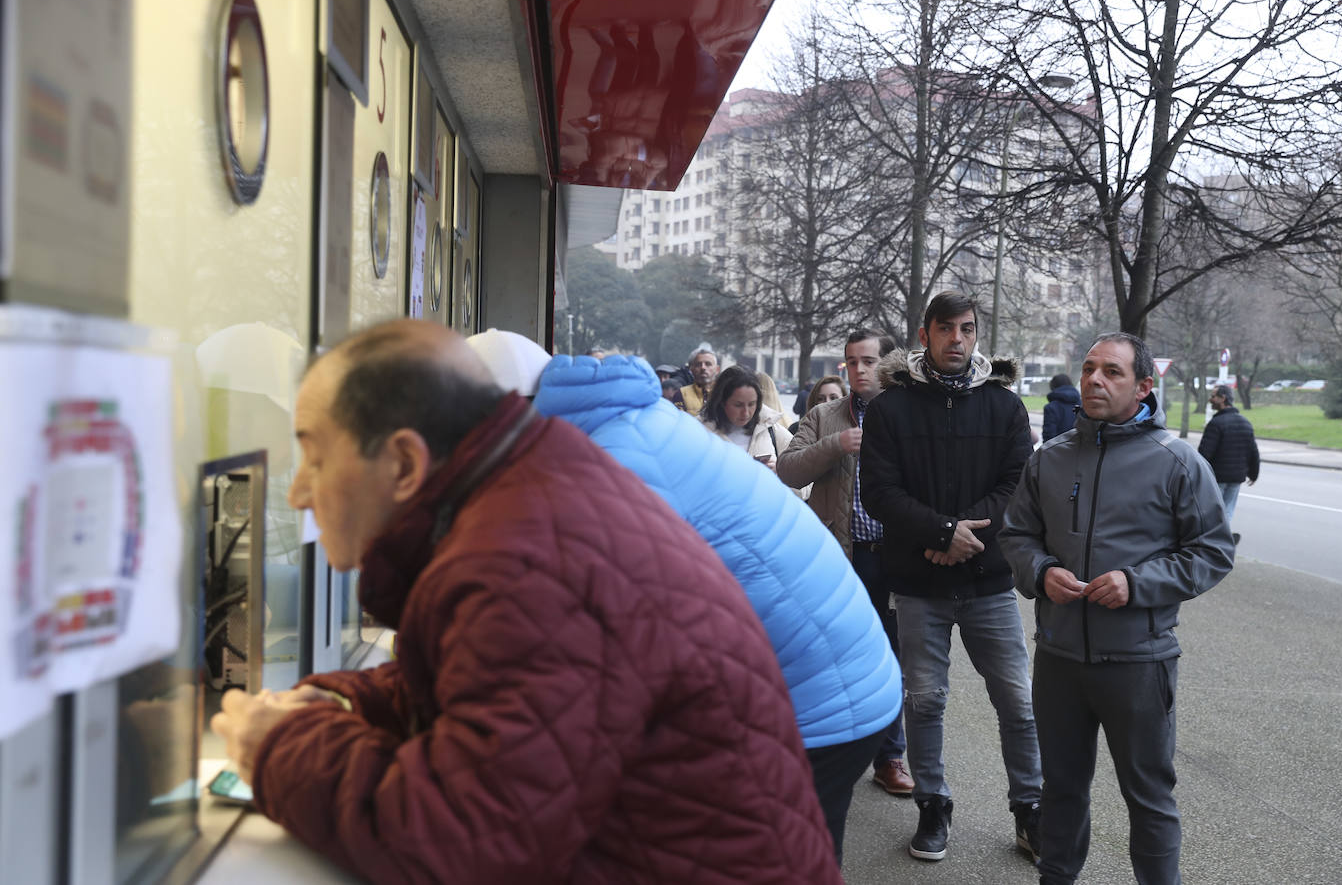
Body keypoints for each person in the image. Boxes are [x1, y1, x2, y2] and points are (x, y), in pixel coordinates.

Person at [209, 319, 841, 884]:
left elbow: (465, 843)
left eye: (314, 457)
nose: (296, 491)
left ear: (404, 462)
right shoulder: (531, 492)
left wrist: (280, 747)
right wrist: (348, 698)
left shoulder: (527, 555)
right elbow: (492, 684)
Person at [533, 353, 902, 865]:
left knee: (772, 859)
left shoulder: (614, 455)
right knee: (805, 855)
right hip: (846, 676)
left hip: (817, 700)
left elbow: (625, 617)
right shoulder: (645, 422)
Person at [1001, 332, 1234, 885]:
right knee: (1059, 789)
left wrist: (1137, 583)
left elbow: (1213, 552)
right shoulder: (1050, 459)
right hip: (1058, 658)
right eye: (1088, 369)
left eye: (1112, 371)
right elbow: (1016, 536)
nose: (1095, 380)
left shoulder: (1177, 461)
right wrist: (1040, 572)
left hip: (1139, 661)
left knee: (1149, 796)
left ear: (1144, 386)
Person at [859, 294, 1043, 864]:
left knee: (1017, 700)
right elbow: (880, 493)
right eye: (946, 329)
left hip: (988, 579)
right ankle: (934, 806)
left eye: (966, 329)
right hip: (918, 583)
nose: (957, 340)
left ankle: (1030, 811)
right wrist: (942, 533)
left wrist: (967, 538)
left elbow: (1018, 486)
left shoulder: (1005, 407)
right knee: (925, 699)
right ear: (925, 334)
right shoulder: (891, 409)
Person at [778, 328, 915, 800]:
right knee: (830, 657)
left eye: (869, 361)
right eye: (851, 362)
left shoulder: (909, 413)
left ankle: (890, 757)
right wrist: (836, 444)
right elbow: (787, 470)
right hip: (838, 560)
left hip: (893, 560)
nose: (859, 370)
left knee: (892, 660)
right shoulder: (823, 415)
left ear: (888, 363)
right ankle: (826, 753)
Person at [699, 365, 792, 469]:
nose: (746, 413)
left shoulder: (770, 427)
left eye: (752, 404)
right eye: (738, 405)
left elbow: (800, 476)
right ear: (721, 401)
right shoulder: (698, 432)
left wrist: (780, 473)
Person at [1198, 383, 1259, 542]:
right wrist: (1253, 473)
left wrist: (1196, 474)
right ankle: (1222, 539)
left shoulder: (1216, 424)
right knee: (1227, 511)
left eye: (1213, 396)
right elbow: (1253, 450)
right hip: (1236, 477)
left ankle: (1214, 542)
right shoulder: (1245, 423)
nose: (1210, 400)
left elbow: (1204, 454)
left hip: (1217, 478)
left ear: (1222, 398)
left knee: (1211, 512)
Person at [680, 347, 719, 415]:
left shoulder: (726, 394)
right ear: (691, 369)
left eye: (708, 364)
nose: (703, 367)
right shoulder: (682, 394)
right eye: (698, 364)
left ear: (717, 369)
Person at [1042, 373, 1080, 441]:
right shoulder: (1082, 404)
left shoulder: (1051, 408)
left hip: (1058, 449)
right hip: (1081, 448)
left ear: (1053, 387)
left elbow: (1049, 436)